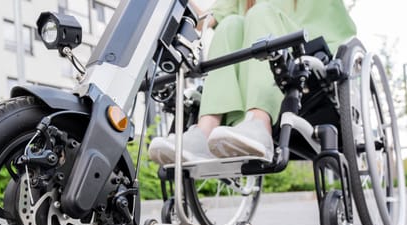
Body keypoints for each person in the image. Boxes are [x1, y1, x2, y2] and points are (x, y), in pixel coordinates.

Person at [148, 0, 356, 164]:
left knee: (259, 12)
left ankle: (260, 122)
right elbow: (205, 20)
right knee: (229, 24)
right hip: (260, 65)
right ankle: (206, 130)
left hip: (308, 52)